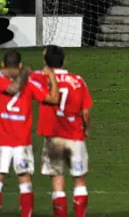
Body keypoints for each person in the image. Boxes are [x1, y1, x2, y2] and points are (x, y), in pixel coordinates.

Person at [0, 50, 59, 217]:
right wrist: (51, 76)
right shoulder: (29, 84)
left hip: (0, 139)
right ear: (20, 65)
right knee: (25, 182)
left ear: (3, 64)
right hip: (22, 141)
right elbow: (52, 99)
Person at [38, 45, 93, 217]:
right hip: (75, 135)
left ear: (46, 62)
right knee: (79, 180)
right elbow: (86, 110)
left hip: (53, 137)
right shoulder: (77, 81)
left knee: (57, 179)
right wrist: (86, 129)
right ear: (64, 61)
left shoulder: (42, 80)